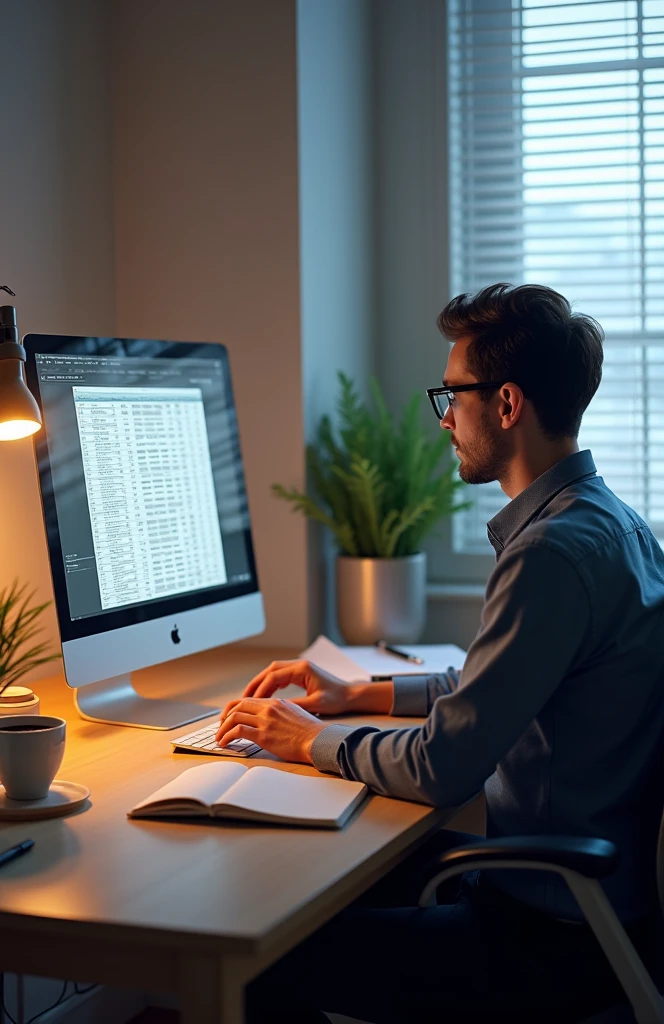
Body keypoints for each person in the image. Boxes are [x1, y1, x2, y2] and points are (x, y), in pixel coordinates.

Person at [216, 283, 664, 1023]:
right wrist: (364, 695)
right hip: (590, 899)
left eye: (452, 396)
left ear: (508, 404)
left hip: (552, 933)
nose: (445, 420)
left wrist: (309, 740)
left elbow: (440, 767)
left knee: (261, 957)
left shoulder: (549, 553)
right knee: (309, 888)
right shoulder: (614, 524)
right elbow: (514, 679)